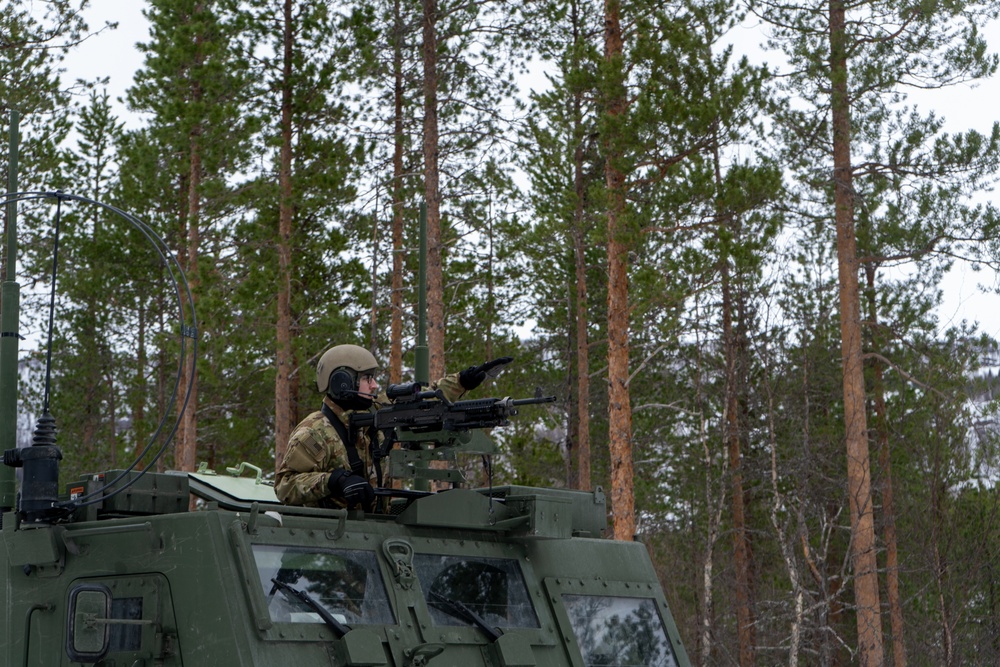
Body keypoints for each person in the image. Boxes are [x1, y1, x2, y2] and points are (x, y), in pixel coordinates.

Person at [275, 343, 511, 510]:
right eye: (368, 379)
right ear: (342, 382)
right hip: (330, 540)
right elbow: (285, 487)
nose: (375, 385)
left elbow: (428, 399)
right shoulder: (314, 432)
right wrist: (335, 480)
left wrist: (463, 381)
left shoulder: (375, 413)